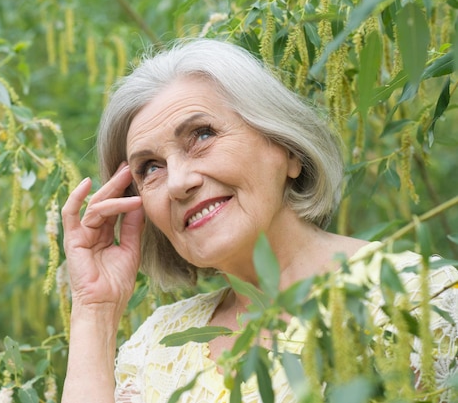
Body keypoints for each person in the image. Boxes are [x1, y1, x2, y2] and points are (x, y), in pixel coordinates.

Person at [59, 39, 458, 402]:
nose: (179, 183)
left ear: (287, 150)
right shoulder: (156, 348)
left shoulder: (421, 299)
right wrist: (95, 310)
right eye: (150, 168)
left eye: (201, 135)